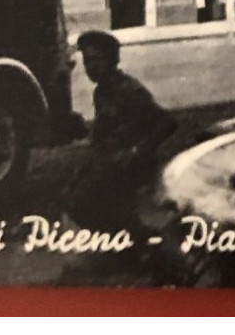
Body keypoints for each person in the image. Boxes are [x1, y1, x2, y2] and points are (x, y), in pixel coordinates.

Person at [64, 30, 177, 233]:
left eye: (97, 60)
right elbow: (102, 134)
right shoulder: (101, 92)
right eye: (87, 61)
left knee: (90, 205)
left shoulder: (129, 90)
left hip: (133, 165)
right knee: (73, 199)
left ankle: (138, 242)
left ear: (112, 60)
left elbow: (166, 123)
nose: (91, 67)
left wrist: (135, 151)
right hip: (111, 163)